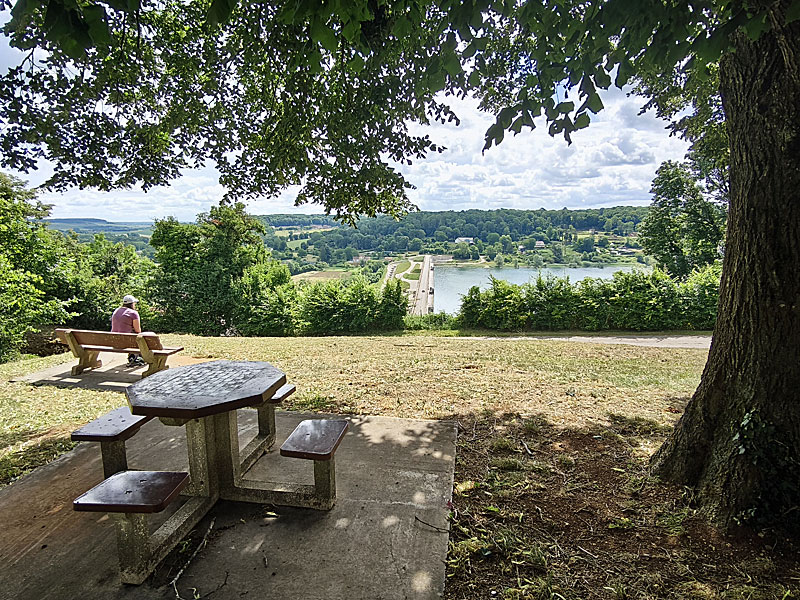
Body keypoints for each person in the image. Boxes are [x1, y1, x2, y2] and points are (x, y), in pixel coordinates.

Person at [111, 294, 145, 366]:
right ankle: (138, 358)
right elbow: (138, 330)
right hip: (126, 342)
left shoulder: (116, 311)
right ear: (132, 304)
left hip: (114, 341)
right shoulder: (133, 313)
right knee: (141, 338)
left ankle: (133, 357)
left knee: (131, 337)